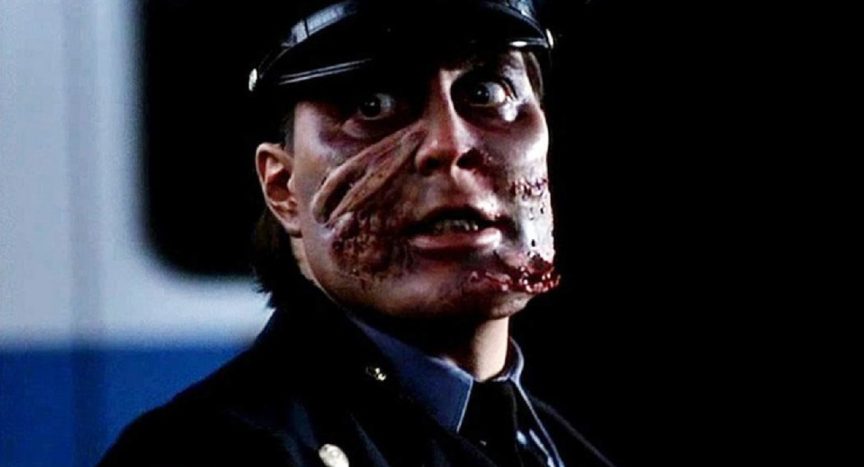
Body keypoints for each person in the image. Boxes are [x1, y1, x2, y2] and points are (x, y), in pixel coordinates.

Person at [100, 1, 616, 466]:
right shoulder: (203, 454)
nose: (449, 144)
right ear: (283, 190)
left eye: (486, 92)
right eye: (372, 105)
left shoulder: (564, 449)